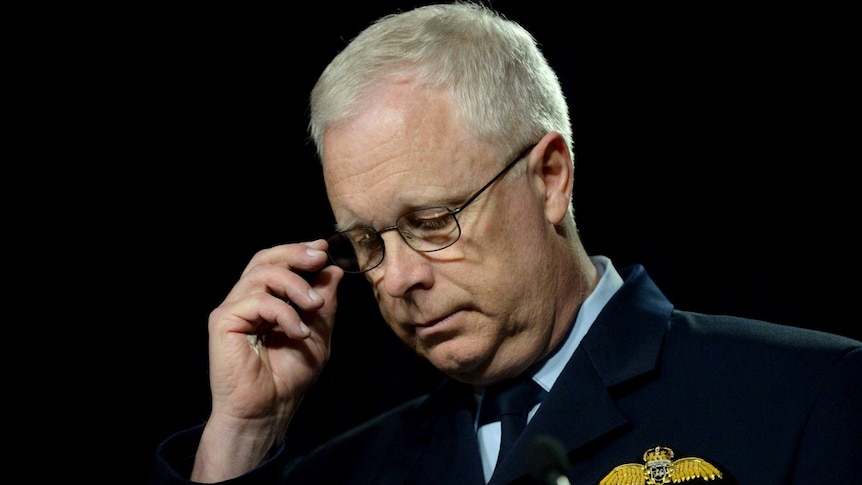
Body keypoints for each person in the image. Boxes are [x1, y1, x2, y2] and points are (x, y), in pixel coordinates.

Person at [149, 2, 861, 484]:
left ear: (551, 177)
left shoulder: (807, 395)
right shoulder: (346, 471)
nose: (396, 279)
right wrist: (241, 435)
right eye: (367, 242)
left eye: (431, 221)